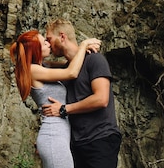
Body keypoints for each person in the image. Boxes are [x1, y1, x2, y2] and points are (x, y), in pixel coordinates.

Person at [10, 30, 101, 168]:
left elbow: (71, 64)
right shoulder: (33, 70)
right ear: (36, 50)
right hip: (53, 136)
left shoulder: (43, 67)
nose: (48, 44)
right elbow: (71, 72)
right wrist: (84, 45)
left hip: (59, 136)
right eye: (43, 42)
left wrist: (80, 51)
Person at [42, 18, 122, 168]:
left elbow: (101, 99)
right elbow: (40, 65)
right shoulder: (66, 71)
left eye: (49, 39)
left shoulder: (94, 60)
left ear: (62, 36)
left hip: (101, 139)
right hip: (77, 145)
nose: (48, 44)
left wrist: (64, 109)